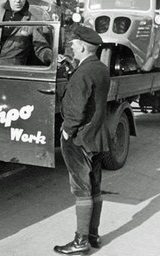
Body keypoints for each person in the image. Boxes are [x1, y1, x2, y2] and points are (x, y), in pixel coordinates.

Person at [54, 25, 110, 255]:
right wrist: (70, 67)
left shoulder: (83, 73)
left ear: (84, 46)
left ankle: (80, 241)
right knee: (94, 187)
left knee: (81, 189)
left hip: (79, 139)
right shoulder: (100, 68)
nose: (72, 46)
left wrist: (67, 130)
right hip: (97, 137)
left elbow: (77, 109)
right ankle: (93, 235)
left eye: (74, 44)